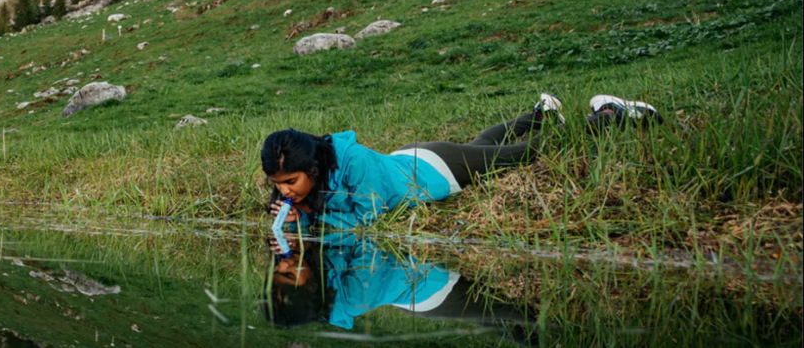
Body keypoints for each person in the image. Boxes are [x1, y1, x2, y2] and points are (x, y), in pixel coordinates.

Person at [261, 95, 661, 230]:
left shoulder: (354, 161)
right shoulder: (311, 179)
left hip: (438, 170)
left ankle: (610, 114)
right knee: (484, 145)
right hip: (413, 157)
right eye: (278, 184)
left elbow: (370, 216)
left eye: (290, 181)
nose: (285, 191)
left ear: (312, 168)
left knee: (524, 155)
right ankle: (539, 113)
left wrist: (311, 218)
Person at [265, 232, 537, 342]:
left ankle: (538, 115)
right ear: (307, 294)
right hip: (428, 289)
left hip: (412, 282)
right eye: (288, 277)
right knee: (513, 311)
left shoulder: (316, 275)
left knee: (499, 318)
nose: (284, 266)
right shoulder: (351, 299)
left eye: (278, 271)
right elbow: (367, 243)